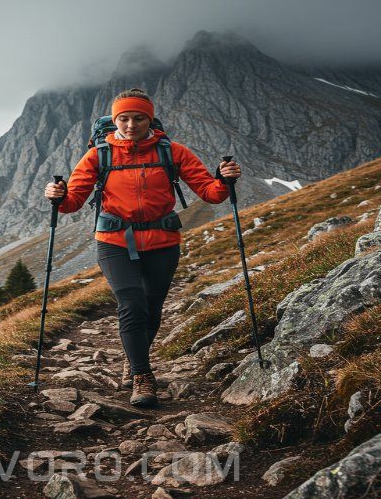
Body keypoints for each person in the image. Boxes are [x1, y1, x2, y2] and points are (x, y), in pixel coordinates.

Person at [43, 88, 242, 407]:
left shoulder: (172, 151)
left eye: (139, 118)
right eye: (124, 118)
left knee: (151, 307)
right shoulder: (99, 155)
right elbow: (72, 203)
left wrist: (224, 179)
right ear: (115, 119)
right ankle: (142, 376)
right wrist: (58, 195)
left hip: (163, 242)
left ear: (150, 119)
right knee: (132, 303)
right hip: (114, 241)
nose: (131, 124)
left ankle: (134, 358)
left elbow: (211, 193)